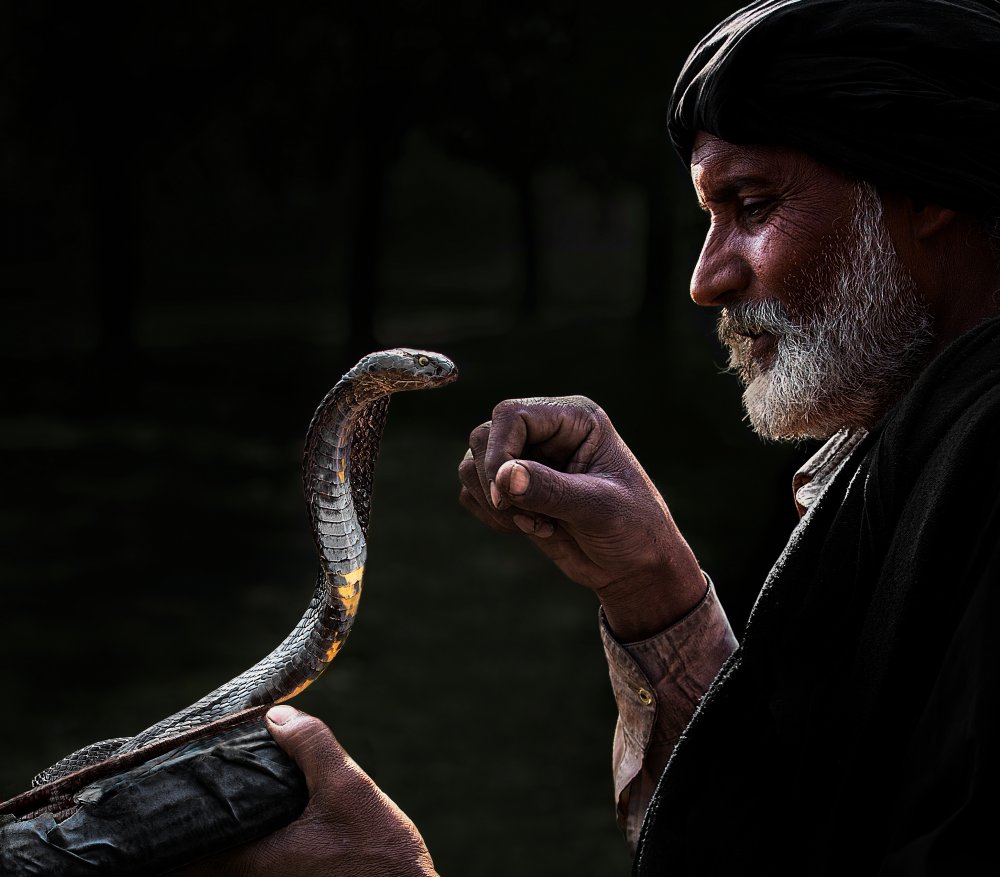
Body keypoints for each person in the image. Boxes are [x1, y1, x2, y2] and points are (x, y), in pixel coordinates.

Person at [177, 0, 1000, 873]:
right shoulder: (918, 451)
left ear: (927, 193)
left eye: (753, 204)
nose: (706, 279)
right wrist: (655, 587)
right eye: (707, 217)